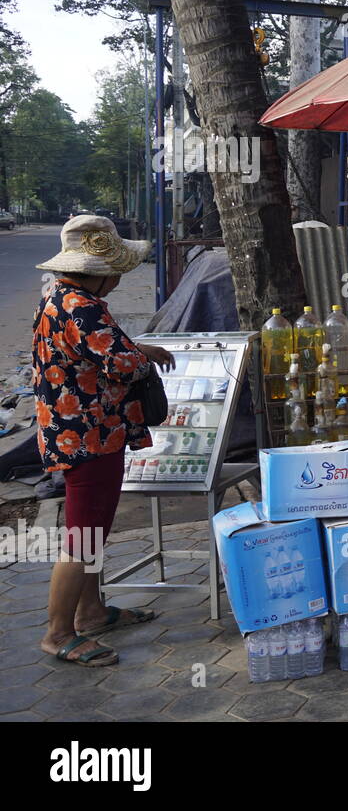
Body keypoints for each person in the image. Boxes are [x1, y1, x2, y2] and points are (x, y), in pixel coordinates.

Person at [33, 215, 175, 667]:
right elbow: (122, 365)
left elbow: (95, 350)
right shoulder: (84, 306)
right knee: (83, 536)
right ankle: (58, 633)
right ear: (98, 270)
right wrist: (140, 356)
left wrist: (136, 349)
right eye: (115, 270)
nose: (117, 278)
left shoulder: (59, 295)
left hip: (75, 432)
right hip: (89, 436)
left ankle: (91, 613)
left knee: (90, 529)